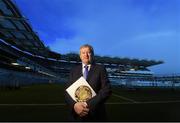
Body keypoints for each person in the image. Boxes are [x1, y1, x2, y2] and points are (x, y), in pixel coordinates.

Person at [64, 44, 112, 121]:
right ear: (80, 56)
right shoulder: (74, 70)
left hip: (95, 115)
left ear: (92, 54)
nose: (86, 55)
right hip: (76, 116)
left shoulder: (100, 69)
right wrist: (75, 105)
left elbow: (106, 90)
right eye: (83, 53)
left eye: (88, 52)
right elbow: (67, 92)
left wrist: (87, 104)